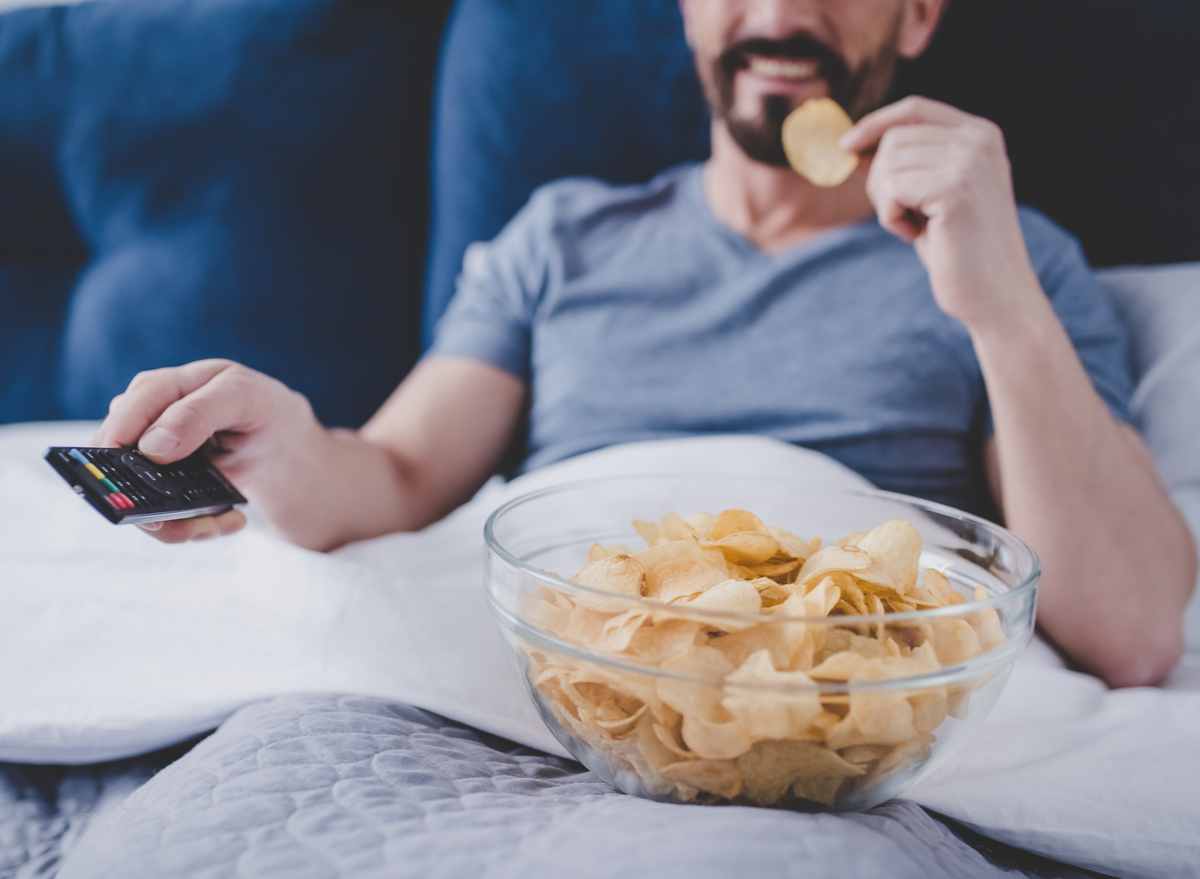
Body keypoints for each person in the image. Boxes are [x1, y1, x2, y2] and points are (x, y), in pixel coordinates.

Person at [92, 0, 1196, 688]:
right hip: (556, 669)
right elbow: (395, 477)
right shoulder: (561, 238)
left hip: (815, 704)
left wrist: (997, 300)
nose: (780, 10)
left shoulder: (1010, 255)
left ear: (917, 16)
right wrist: (276, 439)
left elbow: (1136, 634)